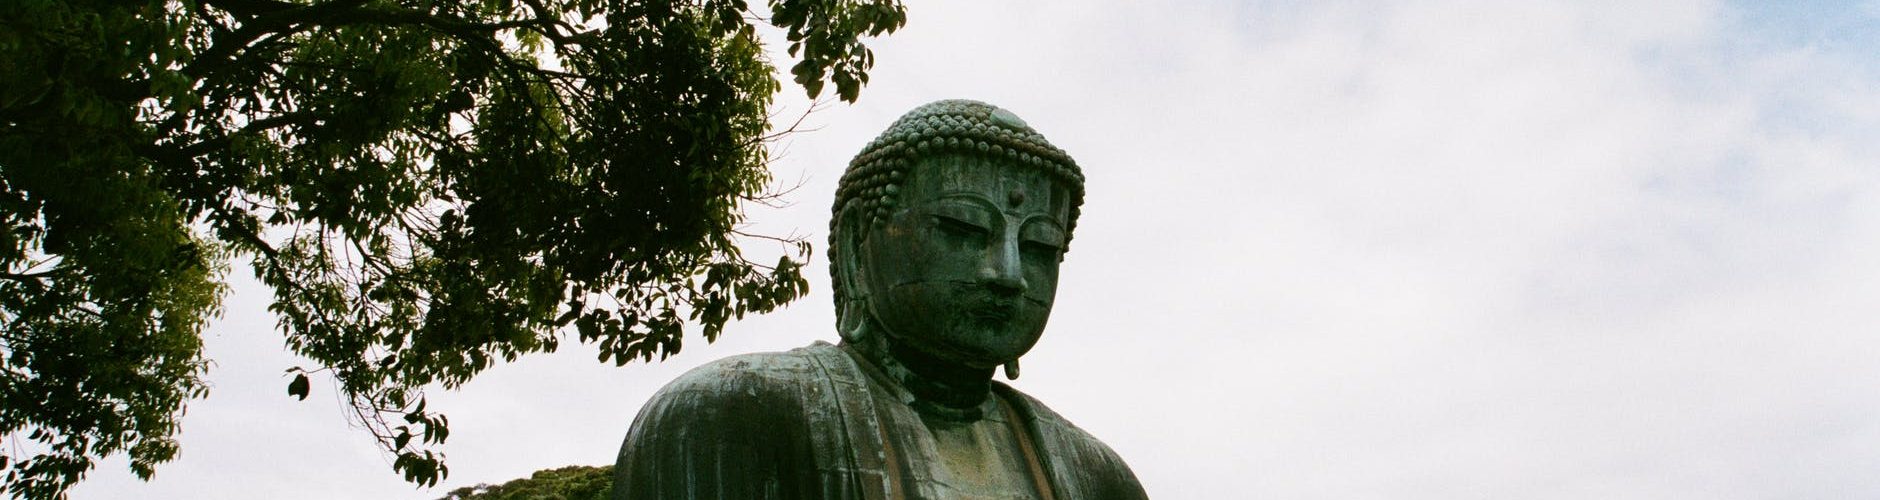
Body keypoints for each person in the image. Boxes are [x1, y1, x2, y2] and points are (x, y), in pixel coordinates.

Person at [612, 100, 1147, 500]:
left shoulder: (1096, 478)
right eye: (963, 228)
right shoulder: (728, 416)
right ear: (854, 246)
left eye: (1039, 247)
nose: (1008, 274)